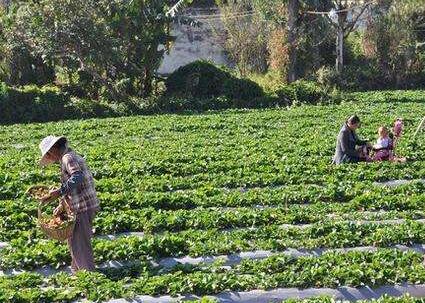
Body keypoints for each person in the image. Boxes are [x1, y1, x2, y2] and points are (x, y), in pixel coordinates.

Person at [39, 136, 100, 273]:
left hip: (83, 206)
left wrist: (60, 191)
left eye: (48, 154)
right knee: (74, 241)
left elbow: (78, 177)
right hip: (80, 205)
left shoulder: (68, 158)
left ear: (53, 149)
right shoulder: (67, 158)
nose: (50, 158)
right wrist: (62, 204)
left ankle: (89, 275)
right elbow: (72, 184)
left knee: (80, 244)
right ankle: (78, 272)